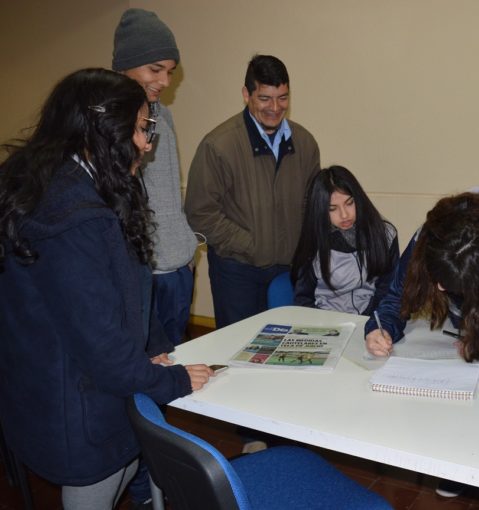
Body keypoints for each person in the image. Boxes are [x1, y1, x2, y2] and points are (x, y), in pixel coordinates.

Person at [0, 68, 213, 509]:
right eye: (138, 129)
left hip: (72, 390)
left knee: (126, 470)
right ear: (101, 131)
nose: (145, 143)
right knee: (97, 490)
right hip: (76, 405)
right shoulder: (73, 215)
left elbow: (128, 288)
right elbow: (100, 341)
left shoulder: (74, 184)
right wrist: (169, 379)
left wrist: (155, 345)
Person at [185, 54, 321, 329]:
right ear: (247, 94)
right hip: (237, 272)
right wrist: (252, 246)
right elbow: (200, 213)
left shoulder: (305, 143)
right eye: (265, 98)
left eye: (282, 97)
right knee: (239, 352)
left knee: (289, 351)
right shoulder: (218, 145)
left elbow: (314, 205)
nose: (275, 107)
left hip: (289, 270)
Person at [364, 187, 479, 361]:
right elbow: (397, 296)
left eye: (455, 284)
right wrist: (382, 328)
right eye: (438, 277)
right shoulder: (430, 237)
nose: (440, 287)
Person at [112, 8, 199, 347]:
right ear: (124, 66)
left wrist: (187, 251)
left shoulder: (164, 117)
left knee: (170, 370)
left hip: (178, 271)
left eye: (170, 71)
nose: (165, 81)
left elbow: (170, 195)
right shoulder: (102, 123)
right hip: (139, 277)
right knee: (140, 375)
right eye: (155, 69)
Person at [291, 165, 399, 315]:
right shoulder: (313, 241)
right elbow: (304, 301)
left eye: (349, 203)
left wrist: (370, 322)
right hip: (326, 322)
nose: (344, 215)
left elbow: (389, 289)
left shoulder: (385, 234)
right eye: (332, 209)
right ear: (320, 210)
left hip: (372, 319)